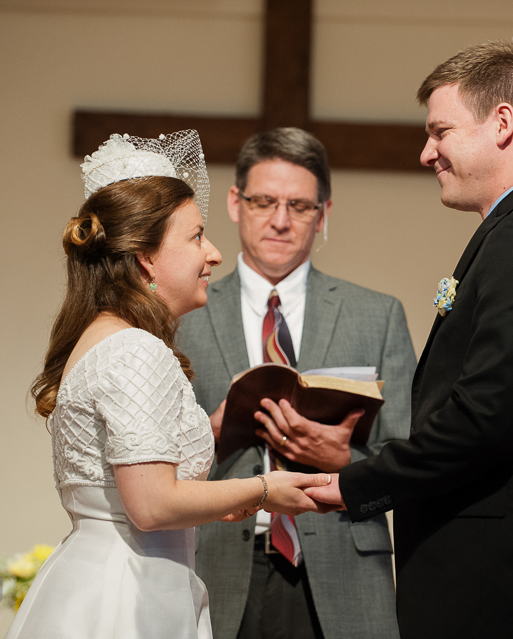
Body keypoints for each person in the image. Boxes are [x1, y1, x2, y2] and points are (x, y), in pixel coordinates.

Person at [307, 42, 513, 637]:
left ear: (504, 123)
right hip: (503, 573)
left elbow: (486, 415)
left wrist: (353, 483)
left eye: (440, 131)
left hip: (501, 585)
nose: (425, 152)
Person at [5, 131, 332, 639]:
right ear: (145, 258)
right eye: (197, 236)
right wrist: (266, 489)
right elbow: (153, 505)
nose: (214, 253)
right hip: (129, 594)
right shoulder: (137, 349)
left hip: (103, 575)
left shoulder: (103, 336)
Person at [178, 128, 415, 639]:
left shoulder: (377, 315)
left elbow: (414, 460)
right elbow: (147, 464)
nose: (281, 221)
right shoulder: (182, 316)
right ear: (235, 203)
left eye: (300, 206)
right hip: (214, 565)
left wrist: (347, 463)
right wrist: (212, 433)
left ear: (323, 214)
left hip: (343, 569)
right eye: (264, 201)